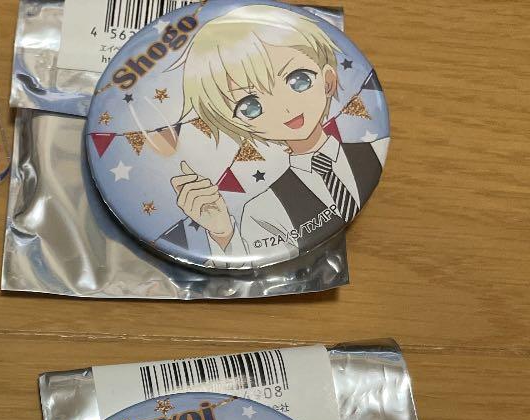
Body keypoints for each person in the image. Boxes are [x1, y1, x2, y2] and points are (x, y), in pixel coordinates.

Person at [155, 4, 388, 263]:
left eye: (298, 80)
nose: (285, 108)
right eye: (251, 106)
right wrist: (222, 233)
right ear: (238, 125)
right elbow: (253, 263)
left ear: (328, 79)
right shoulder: (262, 210)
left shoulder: (376, 151)